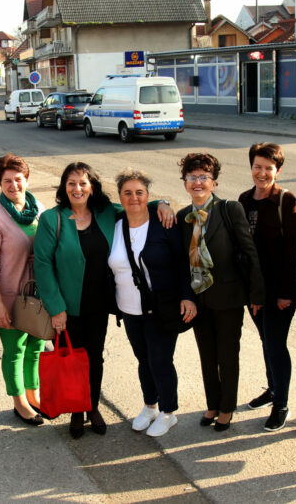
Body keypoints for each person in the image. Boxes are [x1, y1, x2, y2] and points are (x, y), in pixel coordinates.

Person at [33, 162, 175, 438]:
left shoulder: (106, 212)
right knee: (72, 359)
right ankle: (76, 411)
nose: (77, 188)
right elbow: (42, 264)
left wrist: (163, 203)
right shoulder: (52, 219)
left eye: (83, 183)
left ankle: (92, 407)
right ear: (64, 187)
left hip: (99, 304)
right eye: (72, 183)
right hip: (67, 306)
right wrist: (56, 308)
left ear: (92, 187)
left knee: (94, 358)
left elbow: (136, 202)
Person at [176, 153, 265, 432]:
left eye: (204, 177)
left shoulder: (229, 209)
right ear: (185, 182)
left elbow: (249, 251)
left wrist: (256, 294)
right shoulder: (182, 216)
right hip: (199, 299)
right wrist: (187, 296)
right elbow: (182, 262)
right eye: (192, 177)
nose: (198, 182)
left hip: (228, 298)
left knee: (227, 356)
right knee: (207, 355)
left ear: (214, 183)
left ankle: (227, 408)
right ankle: (212, 404)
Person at [107, 169, 196, 437]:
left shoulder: (163, 223)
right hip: (129, 308)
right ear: (120, 197)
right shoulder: (116, 224)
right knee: (143, 360)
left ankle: (169, 412)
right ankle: (150, 406)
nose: (134, 197)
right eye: (127, 193)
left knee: (160, 360)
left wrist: (188, 296)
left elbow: (182, 262)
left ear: (148, 196)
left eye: (140, 192)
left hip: (162, 307)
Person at [0, 153, 45, 426]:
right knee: (15, 350)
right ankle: (19, 402)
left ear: (26, 179)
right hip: (10, 297)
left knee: (36, 347)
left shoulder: (38, 210)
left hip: (39, 295)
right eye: (7, 180)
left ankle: (33, 394)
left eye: (18, 179)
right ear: (0, 183)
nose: (14, 185)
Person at [239, 143, 296, 432]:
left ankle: (282, 404)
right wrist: (249, 290)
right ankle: (273, 389)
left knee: (276, 344)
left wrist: (286, 293)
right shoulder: (244, 199)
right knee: (266, 341)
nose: (262, 173)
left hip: (279, 292)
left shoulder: (286, 201)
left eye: (268, 168)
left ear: (278, 170)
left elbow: (292, 251)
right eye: (258, 167)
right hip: (255, 290)